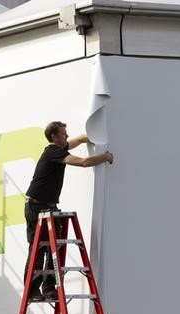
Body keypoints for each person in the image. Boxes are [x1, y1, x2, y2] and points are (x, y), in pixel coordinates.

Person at [24, 121, 113, 302]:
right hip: (36, 207)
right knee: (38, 248)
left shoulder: (59, 146)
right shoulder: (53, 152)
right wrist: (106, 156)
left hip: (48, 206)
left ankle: (49, 288)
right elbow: (84, 162)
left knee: (53, 248)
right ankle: (32, 290)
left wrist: (96, 137)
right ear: (54, 137)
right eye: (63, 134)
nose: (66, 136)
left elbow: (79, 139)